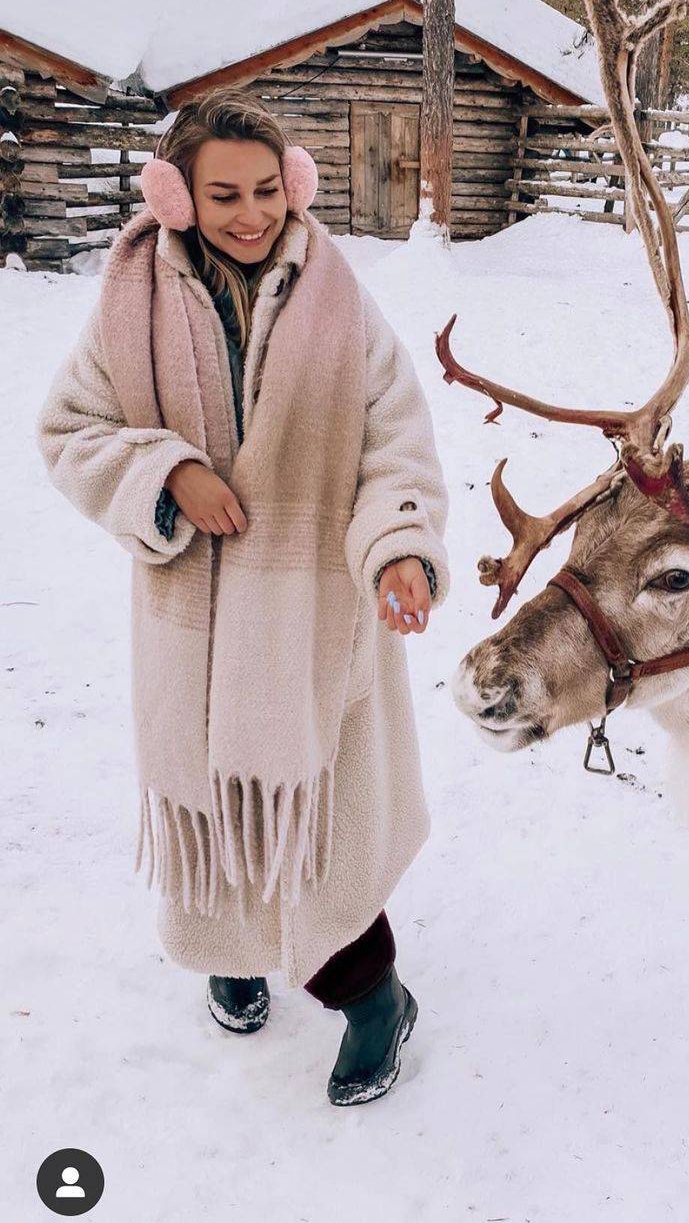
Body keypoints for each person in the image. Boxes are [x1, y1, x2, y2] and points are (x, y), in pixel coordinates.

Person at [36, 89, 450, 1106]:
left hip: (313, 617)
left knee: (320, 806)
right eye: (225, 193)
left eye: (268, 188)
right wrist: (166, 473)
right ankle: (233, 944)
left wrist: (399, 546)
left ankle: (371, 996)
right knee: (212, 798)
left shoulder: (339, 297)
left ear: (294, 184)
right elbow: (70, 429)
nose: (252, 212)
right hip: (190, 619)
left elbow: (393, 433)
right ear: (176, 193)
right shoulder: (130, 298)